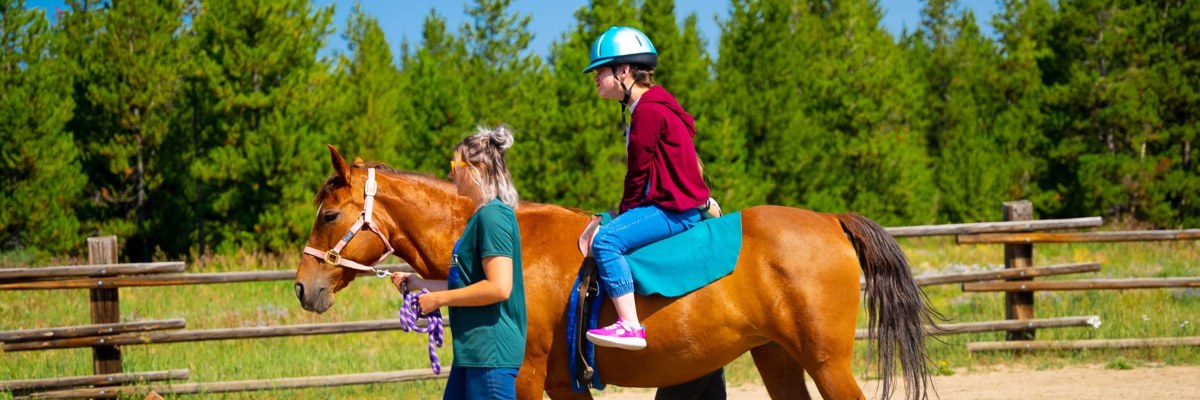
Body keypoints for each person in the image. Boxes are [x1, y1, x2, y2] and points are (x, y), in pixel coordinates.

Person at [582, 26, 711, 351]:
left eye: (601, 70)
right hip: (678, 206)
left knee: (607, 241)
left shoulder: (648, 111)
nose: (595, 77)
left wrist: (622, 216)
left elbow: (637, 176)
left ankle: (629, 324)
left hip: (672, 212)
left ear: (624, 70)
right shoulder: (658, 103)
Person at [391, 125, 526, 400]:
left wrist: (438, 300)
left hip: (490, 353)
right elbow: (467, 282)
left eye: (456, 165)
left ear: (478, 169)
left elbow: (499, 288)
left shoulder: (493, 217)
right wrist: (418, 283)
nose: (451, 174)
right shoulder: (480, 216)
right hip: (474, 352)